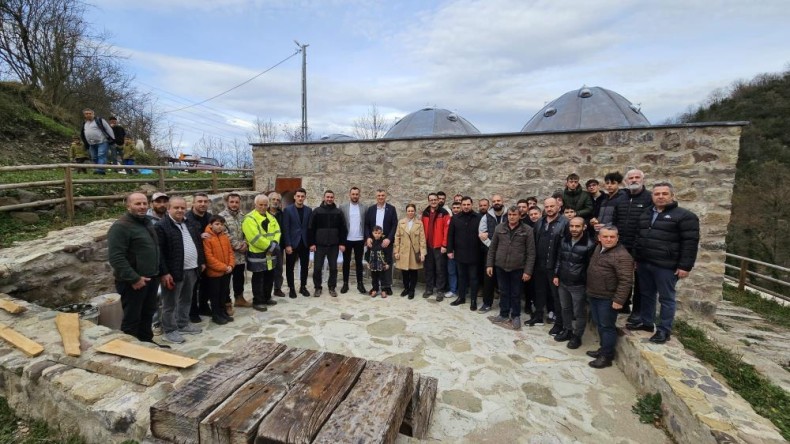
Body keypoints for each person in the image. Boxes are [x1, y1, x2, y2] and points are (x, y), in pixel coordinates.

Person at [630, 182, 700, 344]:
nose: (660, 196)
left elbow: (690, 243)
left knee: (666, 298)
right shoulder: (646, 213)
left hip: (666, 266)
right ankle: (647, 323)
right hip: (644, 262)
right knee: (646, 294)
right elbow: (638, 238)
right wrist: (635, 258)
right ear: (652, 196)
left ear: (672, 196)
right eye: (657, 194)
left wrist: (685, 266)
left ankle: (664, 330)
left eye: (664, 194)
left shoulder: (684, 216)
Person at [107, 192, 160, 343]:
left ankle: (147, 343)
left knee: (148, 313)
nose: (142, 207)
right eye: (137, 204)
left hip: (151, 278)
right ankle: (132, 348)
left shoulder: (147, 222)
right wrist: (134, 278)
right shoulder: (121, 227)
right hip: (133, 282)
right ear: (128, 205)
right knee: (132, 318)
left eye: (144, 203)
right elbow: (116, 257)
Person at [155, 196, 206, 344]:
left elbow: (198, 243)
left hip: (192, 269)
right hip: (173, 272)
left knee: (187, 299)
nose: (180, 210)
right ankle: (169, 330)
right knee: (170, 303)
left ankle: (183, 323)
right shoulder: (161, 226)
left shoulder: (190, 223)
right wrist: (164, 273)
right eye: (176, 207)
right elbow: (159, 252)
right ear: (169, 208)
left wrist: (201, 261)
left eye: (182, 208)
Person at [586, 226, 633, 368]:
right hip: (595, 294)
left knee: (607, 327)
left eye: (612, 237)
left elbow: (626, 281)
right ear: (599, 238)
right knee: (599, 324)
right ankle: (603, 349)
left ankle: (606, 357)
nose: (608, 239)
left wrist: (619, 300)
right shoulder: (599, 248)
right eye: (605, 236)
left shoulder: (622, 256)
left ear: (617, 238)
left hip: (607, 298)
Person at [612, 169, 653, 319]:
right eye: (631, 178)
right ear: (626, 181)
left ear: (643, 179)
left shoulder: (649, 198)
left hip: (640, 246)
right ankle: (622, 305)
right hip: (622, 245)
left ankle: (638, 312)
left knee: (640, 280)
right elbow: (615, 221)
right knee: (621, 276)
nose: (634, 180)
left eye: (637, 177)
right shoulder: (620, 199)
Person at [486, 205, 535, 330]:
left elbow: (531, 252)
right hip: (501, 266)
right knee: (503, 291)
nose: (512, 217)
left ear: (519, 216)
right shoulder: (499, 228)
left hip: (518, 268)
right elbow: (492, 248)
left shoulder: (527, 230)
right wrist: (489, 264)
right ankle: (503, 314)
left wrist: (528, 271)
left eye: (514, 215)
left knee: (516, 293)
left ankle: (515, 315)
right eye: (510, 215)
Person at [553, 217, 596, 349]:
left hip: (578, 284)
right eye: (572, 226)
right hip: (563, 281)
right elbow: (559, 258)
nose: (574, 229)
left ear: (584, 227)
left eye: (577, 226)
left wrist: (586, 283)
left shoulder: (590, 244)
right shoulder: (564, 240)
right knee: (565, 308)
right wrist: (556, 274)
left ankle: (577, 336)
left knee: (579, 312)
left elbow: (591, 267)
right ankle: (567, 330)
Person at [527, 197, 568, 330]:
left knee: (556, 296)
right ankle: (538, 316)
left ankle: (559, 323)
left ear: (558, 207)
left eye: (552, 206)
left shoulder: (565, 223)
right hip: (539, 265)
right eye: (547, 206)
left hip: (554, 266)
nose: (549, 209)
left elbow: (565, 249)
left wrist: (558, 269)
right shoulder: (540, 221)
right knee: (539, 291)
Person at [242, 194, 282, 310]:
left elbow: (277, 231)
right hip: (258, 253)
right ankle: (258, 301)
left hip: (271, 252)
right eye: (261, 205)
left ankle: (267, 297)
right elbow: (254, 238)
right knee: (258, 278)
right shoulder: (249, 218)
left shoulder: (271, 217)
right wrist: (271, 246)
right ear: (255, 205)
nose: (263, 207)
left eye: (265, 205)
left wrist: (274, 242)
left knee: (269, 276)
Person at [308, 190, 347, 297]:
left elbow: (343, 229)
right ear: (324, 197)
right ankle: (317, 287)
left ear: (334, 198)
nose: (329, 199)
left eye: (331, 197)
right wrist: (311, 243)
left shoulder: (338, 212)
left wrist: (342, 243)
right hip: (319, 245)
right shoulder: (316, 211)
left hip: (334, 245)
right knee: (317, 268)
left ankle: (332, 287)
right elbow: (311, 228)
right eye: (327, 197)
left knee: (333, 268)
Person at [447, 197, 482, 310]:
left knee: (473, 278)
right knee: (461, 277)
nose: (466, 206)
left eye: (468, 204)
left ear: (472, 205)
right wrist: (449, 250)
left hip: (474, 254)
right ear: (461, 205)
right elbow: (450, 235)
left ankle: (473, 300)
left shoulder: (478, 218)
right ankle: (461, 298)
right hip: (460, 254)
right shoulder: (455, 218)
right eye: (464, 204)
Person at [218, 192, 251, 308]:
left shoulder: (243, 216)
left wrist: (246, 243)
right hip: (228, 255)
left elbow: (247, 231)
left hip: (241, 256)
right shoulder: (221, 217)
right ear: (227, 202)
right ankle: (227, 302)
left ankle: (239, 298)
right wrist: (239, 246)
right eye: (232, 202)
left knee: (239, 278)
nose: (234, 204)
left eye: (237, 202)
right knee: (226, 280)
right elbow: (224, 234)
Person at [364, 189, 398, 297]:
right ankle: (375, 287)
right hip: (373, 241)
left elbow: (394, 225)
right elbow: (366, 225)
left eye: (382, 195)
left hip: (386, 241)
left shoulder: (391, 209)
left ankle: (386, 287)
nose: (380, 197)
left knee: (386, 262)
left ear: (385, 196)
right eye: (378, 195)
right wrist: (368, 237)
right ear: (376, 196)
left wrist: (389, 238)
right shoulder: (371, 209)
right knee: (374, 263)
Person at [202, 215, 235, 325]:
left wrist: (231, 265)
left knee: (223, 294)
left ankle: (223, 312)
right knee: (215, 295)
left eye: (221, 224)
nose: (219, 226)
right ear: (211, 225)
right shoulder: (207, 238)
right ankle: (216, 315)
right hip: (215, 273)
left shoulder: (224, 237)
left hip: (226, 271)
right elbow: (209, 257)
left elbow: (230, 252)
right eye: (217, 224)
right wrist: (224, 267)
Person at [186, 192, 212, 322]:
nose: (202, 204)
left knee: (206, 284)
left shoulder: (210, 217)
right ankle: (192, 312)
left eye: (205, 201)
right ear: (193, 203)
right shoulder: (186, 219)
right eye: (200, 201)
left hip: (208, 256)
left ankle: (203, 306)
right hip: (193, 258)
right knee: (192, 286)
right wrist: (199, 236)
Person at [478, 194, 507, 313]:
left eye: (498, 200)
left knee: (504, 280)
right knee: (488, 279)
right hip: (490, 252)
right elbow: (481, 234)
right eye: (494, 201)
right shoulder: (486, 217)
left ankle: (505, 305)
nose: (496, 202)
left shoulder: (509, 215)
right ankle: (487, 303)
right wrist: (493, 246)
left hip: (506, 253)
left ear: (502, 201)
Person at [283, 188, 313, 298]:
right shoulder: (288, 210)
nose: (300, 198)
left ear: (305, 197)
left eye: (302, 196)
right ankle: (291, 288)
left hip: (304, 243)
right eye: (298, 196)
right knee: (290, 267)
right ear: (294, 197)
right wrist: (287, 244)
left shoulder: (309, 210)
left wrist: (311, 243)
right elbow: (285, 228)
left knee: (304, 267)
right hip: (292, 244)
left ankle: (303, 287)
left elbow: (310, 228)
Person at [394, 203, 427, 299]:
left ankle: (412, 289)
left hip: (414, 251)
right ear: (406, 212)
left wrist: (422, 252)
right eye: (409, 211)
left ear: (415, 212)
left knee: (413, 272)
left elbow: (422, 239)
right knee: (404, 271)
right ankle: (406, 288)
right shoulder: (401, 222)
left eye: (412, 211)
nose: (410, 212)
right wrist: (396, 251)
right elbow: (397, 237)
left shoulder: (419, 223)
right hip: (403, 251)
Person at [340, 186, 368, 294]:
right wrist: (341, 241)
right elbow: (341, 225)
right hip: (347, 239)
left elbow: (366, 223)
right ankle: (345, 284)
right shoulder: (343, 207)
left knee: (359, 263)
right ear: (350, 195)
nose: (355, 196)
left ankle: (360, 284)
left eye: (357, 194)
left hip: (360, 239)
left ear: (359, 195)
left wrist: (366, 237)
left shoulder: (364, 207)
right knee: (346, 262)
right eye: (353, 194)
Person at [421, 193, 449, 300]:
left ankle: (440, 290)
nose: (433, 201)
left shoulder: (444, 213)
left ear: (438, 200)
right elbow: (422, 229)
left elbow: (447, 230)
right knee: (428, 268)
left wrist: (444, 244)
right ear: (428, 201)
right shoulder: (425, 213)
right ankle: (429, 289)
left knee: (440, 269)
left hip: (439, 246)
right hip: (428, 245)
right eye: (431, 200)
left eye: (435, 199)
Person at [79, 108, 115, 175]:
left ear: (93, 114)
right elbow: (83, 133)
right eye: (86, 114)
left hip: (102, 141)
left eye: (90, 113)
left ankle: (100, 170)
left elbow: (108, 129)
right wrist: (85, 142)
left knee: (101, 155)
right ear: (84, 115)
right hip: (91, 143)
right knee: (94, 157)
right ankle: (97, 168)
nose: (88, 115)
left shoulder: (99, 120)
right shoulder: (85, 123)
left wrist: (112, 139)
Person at [268, 192, 286, 297]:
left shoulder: (282, 214)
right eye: (273, 199)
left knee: (279, 268)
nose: (275, 202)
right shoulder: (263, 214)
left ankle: (277, 288)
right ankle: (266, 290)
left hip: (279, 246)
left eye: (278, 200)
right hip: (266, 247)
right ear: (269, 200)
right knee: (268, 268)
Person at [366, 226, 390, 298]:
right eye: (375, 233)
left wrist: (387, 263)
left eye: (379, 233)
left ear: (381, 233)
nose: (377, 234)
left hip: (381, 264)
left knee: (383, 278)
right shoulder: (371, 243)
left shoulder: (383, 243)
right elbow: (367, 254)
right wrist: (368, 262)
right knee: (374, 278)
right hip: (373, 264)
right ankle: (375, 289)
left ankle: (383, 290)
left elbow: (387, 254)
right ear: (373, 233)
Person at [445, 201, 462, 301]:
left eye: (457, 207)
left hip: (461, 251)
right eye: (454, 207)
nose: (456, 209)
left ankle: (461, 290)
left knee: (461, 272)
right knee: (451, 271)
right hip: (451, 250)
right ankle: (453, 290)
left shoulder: (464, 219)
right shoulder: (449, 220)